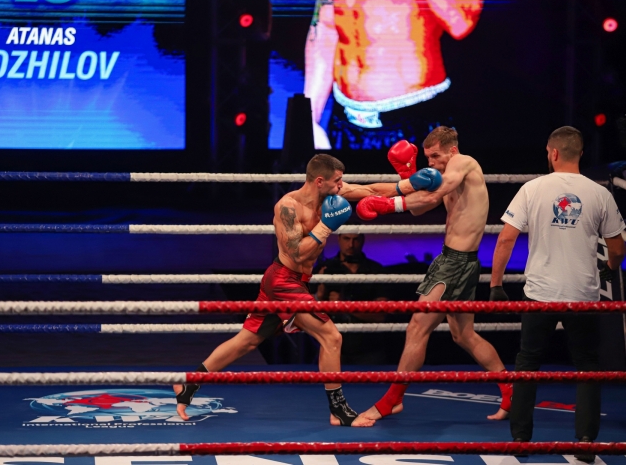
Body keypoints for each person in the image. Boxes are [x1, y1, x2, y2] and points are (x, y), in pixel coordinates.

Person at [173, 154, 441, 426]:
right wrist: (325, 226)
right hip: (283, 281)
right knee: (331, 337)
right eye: (337, 181)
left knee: (248, 341)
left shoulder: (332, 194)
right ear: (320, 181)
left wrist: (409, 184)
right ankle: (338, 411)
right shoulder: (287, 208)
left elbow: (371, 190)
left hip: (294, 281)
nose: (341, 186)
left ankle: (189, 383)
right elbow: (297, 253)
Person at [354, 127, 512, 421]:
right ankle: (511, 392)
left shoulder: (463, 163)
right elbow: (419, 208)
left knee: (417, 327)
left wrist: (390, 203)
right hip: (457, 260)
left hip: (455, 264)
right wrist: (355, 189)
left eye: (435, 156)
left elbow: (430, 196)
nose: (431, 163)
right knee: (463, 335)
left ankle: (392, 400)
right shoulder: (444, 173)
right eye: (427, 158)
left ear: (452, 150)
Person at [489, 126, 625, 461]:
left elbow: (506, 239)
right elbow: (618, 247)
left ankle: (521, 437)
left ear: (553, 153)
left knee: (528, 361)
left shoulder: (533, 188)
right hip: (583, 293)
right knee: (587, 364)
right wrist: (609, 267)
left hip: (541, 293)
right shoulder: (600, 194)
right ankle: (586, 440)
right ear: (580, 154)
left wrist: (495, 284)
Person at [304, 0, 483, 150]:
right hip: (345, 120)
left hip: (415, 119)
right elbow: (325, 29)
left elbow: (461, 23)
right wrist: (309, 117)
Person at [315, 232, 391, 364]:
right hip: (331, 347)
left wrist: (344, 305)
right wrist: (319, 295)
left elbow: (381, 315)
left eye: (356, 239)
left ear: (363, 240)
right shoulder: (324, 269)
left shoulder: (376, 270)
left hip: (369, 349)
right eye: (346, 239)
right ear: (339, 239)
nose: (351, 245)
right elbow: (306, 314)